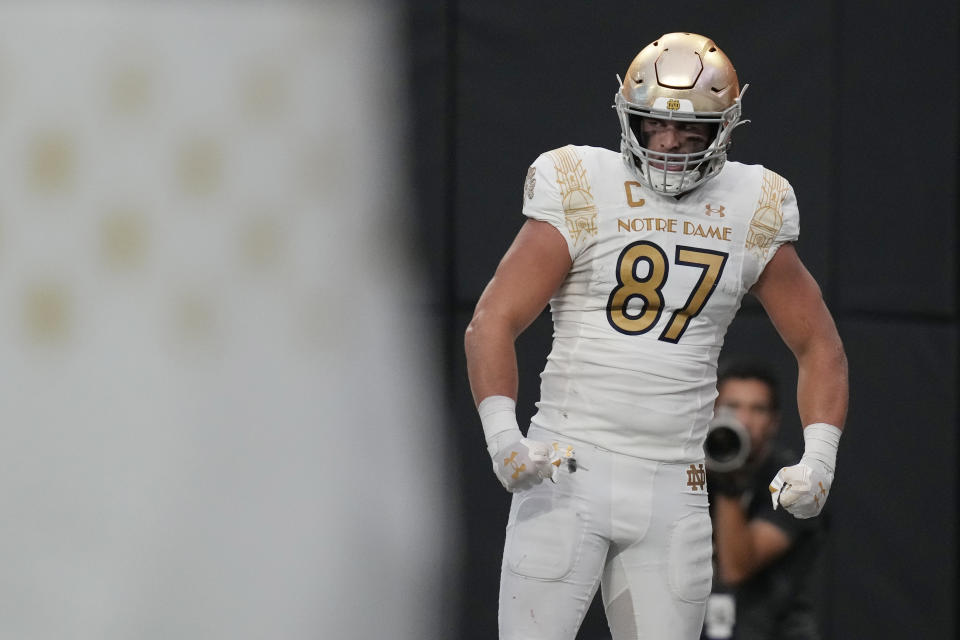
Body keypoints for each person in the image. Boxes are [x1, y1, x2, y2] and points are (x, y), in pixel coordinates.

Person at [464, 32, 848, 640]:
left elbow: (819, 345)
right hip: (569, 466)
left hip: (677, 481)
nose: (668, 142)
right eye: (654, 124)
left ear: (725, 128)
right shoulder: (582, 181)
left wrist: (820, 456)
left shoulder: (753, 202)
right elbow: (493, 319)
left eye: (690, 129)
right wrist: (502, 435)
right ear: (627, 118)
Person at [703, 363, 828, 639]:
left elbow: (736, 568)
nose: (744, 421)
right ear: (711, 413)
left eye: (757, 409)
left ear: (774, 422)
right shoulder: (688, 473)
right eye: (732, 406)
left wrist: (728, 481)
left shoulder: (795, 481)